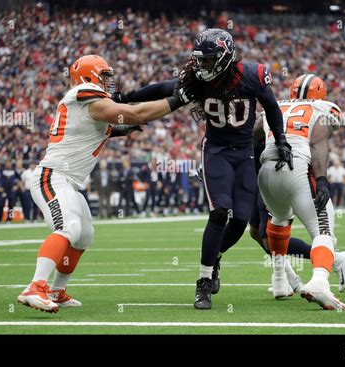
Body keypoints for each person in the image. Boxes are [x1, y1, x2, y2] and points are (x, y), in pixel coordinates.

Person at [115, 29, 293, 310]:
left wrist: (281, 139)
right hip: (216, 151)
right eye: (201, 60)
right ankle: (203, 283)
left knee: (241, 220)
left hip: (245, 153)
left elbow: (272, 107)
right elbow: (165, 87)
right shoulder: (198, 80)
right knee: (220, 211)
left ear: (224, 58)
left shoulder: (251, 75)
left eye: (209, 60)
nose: (203, 66)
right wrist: (127, 97)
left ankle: (216, 256)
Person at [17, 54, 189, 313]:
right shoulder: (85, 95)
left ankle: (56, 290)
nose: (109, 81)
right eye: (105, 76)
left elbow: (113, 126)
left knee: (84, 236)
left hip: (69, 182)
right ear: (89, 76)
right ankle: (35, 287)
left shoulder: (89, 105)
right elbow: (133, 113)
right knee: (69, 227)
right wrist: (177, 100)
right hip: (52, 176)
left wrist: (126, 127)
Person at [257, 74, 345, 310]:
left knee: (278, 219)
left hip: (266, 171)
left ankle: (279, 280)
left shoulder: (276, 105)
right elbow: (318, 142)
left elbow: (253, 134)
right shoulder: (323, 108)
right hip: (297, 167)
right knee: (324, 232)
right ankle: (319, 281)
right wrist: (321, 179)